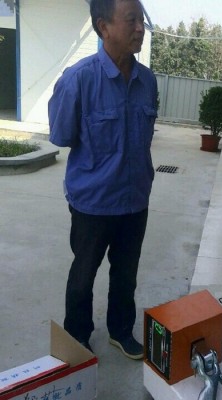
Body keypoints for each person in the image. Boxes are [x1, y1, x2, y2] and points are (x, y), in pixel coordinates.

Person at [48, 0, 158, 360]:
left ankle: (121, 331)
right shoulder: (78, 79)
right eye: (131, 20)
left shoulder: (147, 81)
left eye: (141, 21)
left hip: (135, 200)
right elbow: (62, 134)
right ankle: (78, 335)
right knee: (83, 276)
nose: (140, 28)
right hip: (92, 204)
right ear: (103, 27)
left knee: (126, 276)